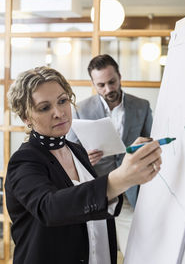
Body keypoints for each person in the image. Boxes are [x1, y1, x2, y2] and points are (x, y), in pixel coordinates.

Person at [5, 66, 161, 264]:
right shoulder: (24, 161)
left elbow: (90, 207)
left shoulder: (77, 151)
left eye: (63, 101)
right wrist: (120, 179)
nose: (59, 113)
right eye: (45, 107)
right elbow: (49, 207)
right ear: (26, 117)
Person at [67, 54, 153, 254]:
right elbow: (69, 151)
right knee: (101, 254)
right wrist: (84, 159)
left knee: (138, 252)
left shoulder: (142, 106)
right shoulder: (81, 110)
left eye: (112, 82)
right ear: (93, 84)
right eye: (101, 85)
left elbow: (151, 142)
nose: (108, 89)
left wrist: (142, 149)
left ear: (120, 76)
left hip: (132, 195)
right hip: (99, 195)